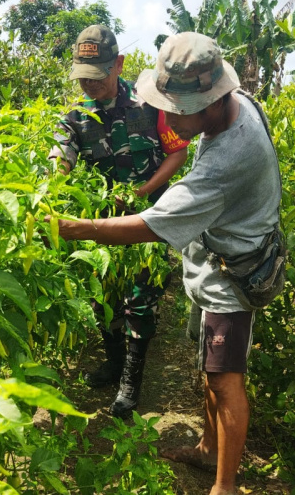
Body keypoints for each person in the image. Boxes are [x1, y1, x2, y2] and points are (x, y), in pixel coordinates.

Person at [53, 32, 282, 495]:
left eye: (180, 107)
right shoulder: (236, 103)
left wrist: (73, 227)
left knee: (225, 378)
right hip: (215, 262)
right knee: (209, 370)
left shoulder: (229, 158)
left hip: (232, 275)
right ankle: (207, 448)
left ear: (211, 101)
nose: (172, 116)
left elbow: (154, 224)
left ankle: (224, 487)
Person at [48, 25, 190, 419]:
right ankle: (113, 363)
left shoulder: (151, 106)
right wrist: (51, 181)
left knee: (140, 303)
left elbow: (177, 155)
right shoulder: (76, 118)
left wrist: (142, 193)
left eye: (96, 77)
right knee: (102, 299)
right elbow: (60, 159)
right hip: (98, 229)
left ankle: (131, 379)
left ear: (119, 65)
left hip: (146, 224)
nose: (88, 86)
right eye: (82, 77)